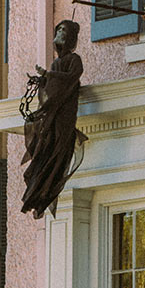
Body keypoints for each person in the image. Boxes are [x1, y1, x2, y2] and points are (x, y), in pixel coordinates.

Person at [20, 19, 87, 219]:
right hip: (52, 115)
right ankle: (37, 196)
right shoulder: (57, 63)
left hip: (64, 114)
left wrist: (49, 75)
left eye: (63, 30)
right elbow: (50, 91)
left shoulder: (74, 59)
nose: (59, 33)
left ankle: (43, 195)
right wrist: (44, 80)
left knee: (56, 154)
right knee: (44, 152)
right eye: (58, 29)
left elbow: (72, 78)